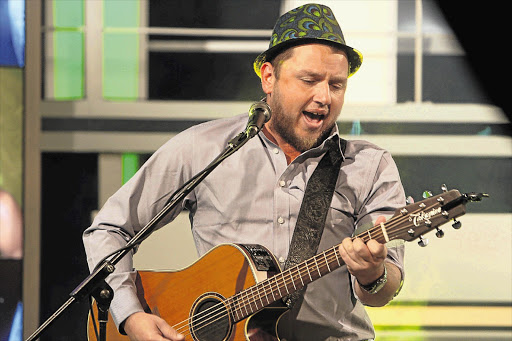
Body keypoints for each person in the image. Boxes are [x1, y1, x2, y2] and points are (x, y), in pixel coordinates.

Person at [83, 3, 406, 340]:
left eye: (336, 85)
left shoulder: (370, 166)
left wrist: (373, 274)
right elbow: (108, 230)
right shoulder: (204, 148)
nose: (324, 97)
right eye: (309, 80)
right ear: (269, 77)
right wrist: (131, 317)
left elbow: (384, 289)